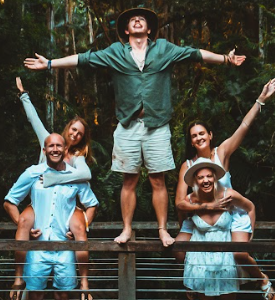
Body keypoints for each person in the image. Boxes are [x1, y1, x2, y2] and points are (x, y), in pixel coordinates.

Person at [23, 7, 246, 247]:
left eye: (142, 19)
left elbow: (195, 54)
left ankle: (162, 230)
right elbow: (83, 59)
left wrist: (226, 59)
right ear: (127, 30)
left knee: (157, 180)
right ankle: (127, 228)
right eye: (132, 20)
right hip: (127, 126)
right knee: (129, 181)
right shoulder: (116, 52)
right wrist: (49, 64)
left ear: (149, 29)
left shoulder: (164, 49)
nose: (137, 21)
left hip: (157, 125)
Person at [175, 79, 275, 298]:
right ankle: (194, 286)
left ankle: (261, 281)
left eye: (202, 133)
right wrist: (205, 206)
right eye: (194, 135)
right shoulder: (188, 165)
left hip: (231, 212)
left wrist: (261, 99)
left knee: (239, 253)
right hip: (200, 214)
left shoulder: (221, 153)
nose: (199, 137)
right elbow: (180, 202)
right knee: (180, 252)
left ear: (210, 135)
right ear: (191, 142)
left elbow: (244, 127)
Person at [9, 77, 97, 300]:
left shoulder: (77, 160)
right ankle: (19, 277)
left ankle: (81, 280)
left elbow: (86, 180)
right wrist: (24, 95)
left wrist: (56, 180)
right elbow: (34, 120)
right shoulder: (49, 141)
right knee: (25, 222)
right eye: (73, 130)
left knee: (77, 225)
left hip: (62, 214)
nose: (75, 135)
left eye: (80, 134)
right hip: (38, 199)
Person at [182, 157, 256, 299]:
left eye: (209, 176)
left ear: (215, 178)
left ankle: (263, 280)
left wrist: (249, 233)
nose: (206, 180)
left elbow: (250, 207)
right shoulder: (190, 200)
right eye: (201, 177)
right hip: (201, 258)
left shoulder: (228, 195)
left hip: (225, 256)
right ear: (195, 181)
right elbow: (181, 211)